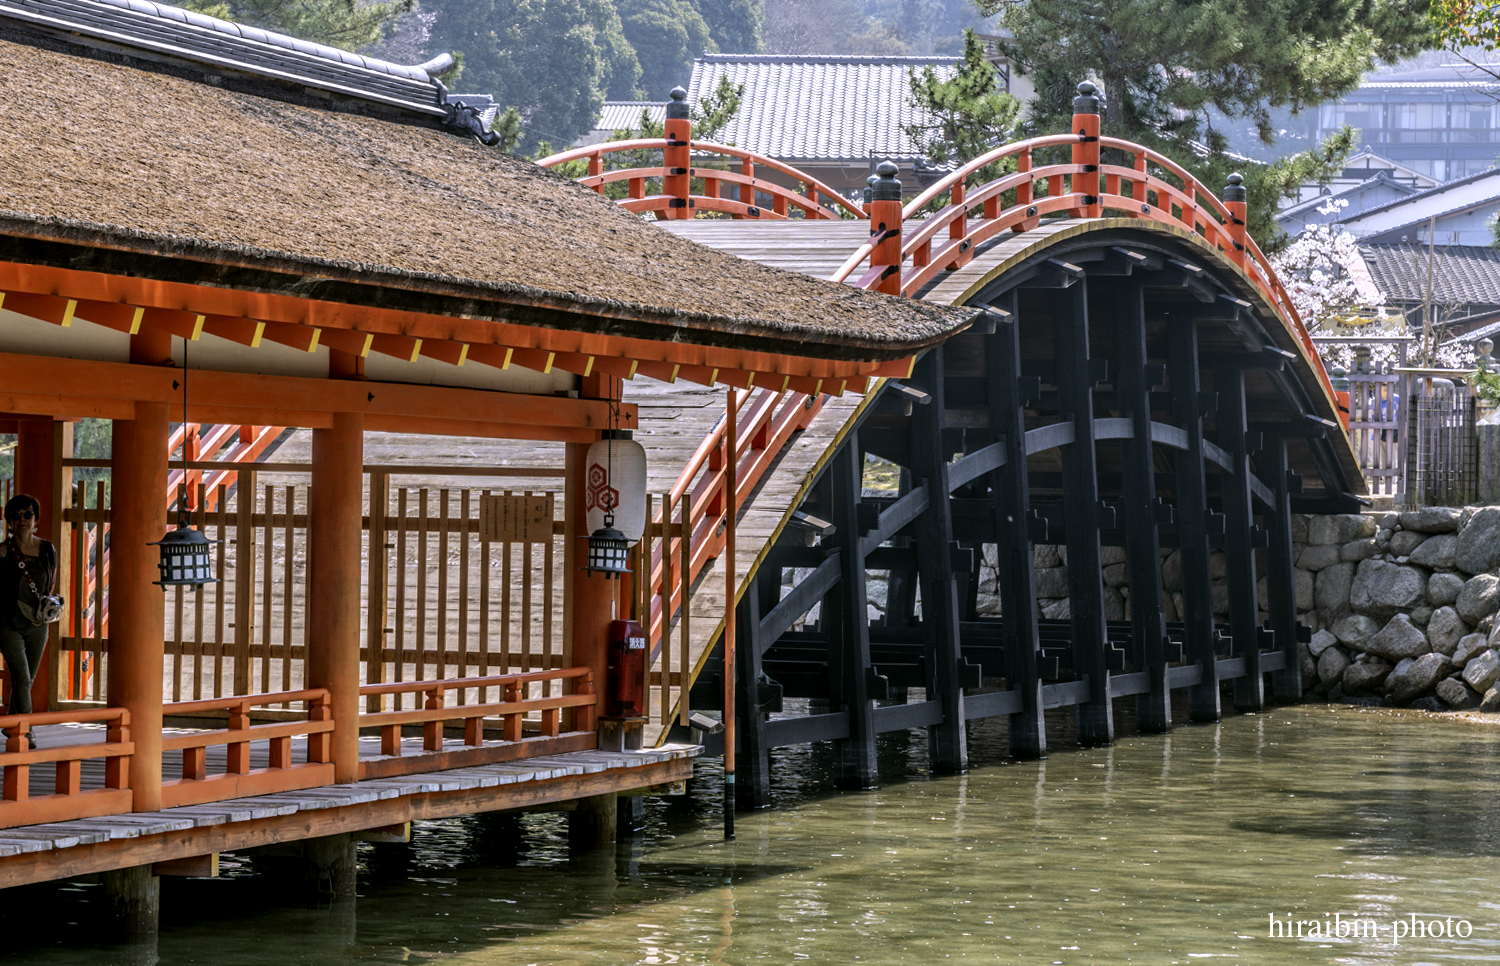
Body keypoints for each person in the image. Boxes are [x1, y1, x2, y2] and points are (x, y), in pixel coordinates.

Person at [0, 494, 57, 745]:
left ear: (36, 518)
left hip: (37, 623)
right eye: (16, 515)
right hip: (7, 623)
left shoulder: (47, 549)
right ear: (9, 521)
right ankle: (25, 732)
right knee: (21, 678)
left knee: (27, 679)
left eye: (27, 514)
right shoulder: (2, 552)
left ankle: (13, 723)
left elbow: (50, 582)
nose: (22, 520)